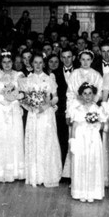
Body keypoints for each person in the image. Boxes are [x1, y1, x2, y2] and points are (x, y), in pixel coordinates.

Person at [20, 52, 62, 188]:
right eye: (35, 62)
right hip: (33, 114)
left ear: (43, 64)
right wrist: (30, 106)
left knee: (47, 141)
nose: (38, 65)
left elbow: (56, 97)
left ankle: (47, 175)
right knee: (34, 140)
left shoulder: (49, 78)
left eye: (40, 62)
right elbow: (22, 99)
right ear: (31, 64)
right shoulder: (26, 80)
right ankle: (35, 176)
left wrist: (46, 106)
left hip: (46, 113)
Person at [0, 52, 25, 182]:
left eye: (9, 62)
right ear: (0, 63)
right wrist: (3, 98)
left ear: (13, 62)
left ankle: (15, 171)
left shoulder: (19, 75)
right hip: (0, 109)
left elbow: (23, 93)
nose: (7, 64)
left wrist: (14, 97)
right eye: (4, 62)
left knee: (14, 137)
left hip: (14, 108)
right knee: (1, 137)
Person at [68, 83, 106, 202]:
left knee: (93, 162)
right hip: (81, 138)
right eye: (85, 94)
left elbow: (103, 125)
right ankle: (81, 192)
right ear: (81, 95)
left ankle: (92, 192)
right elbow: (74, 126)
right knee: (81, 162)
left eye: (90, 93)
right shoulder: (77, 110)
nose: (88, 96)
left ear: (94, 95)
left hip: (93, 137)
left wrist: (95, 125)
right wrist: (72, 141)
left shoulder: (98, 109)